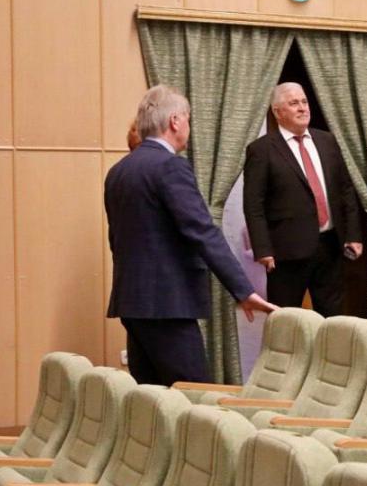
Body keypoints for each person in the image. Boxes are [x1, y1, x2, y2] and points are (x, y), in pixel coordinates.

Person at [105, 85, 275, 387]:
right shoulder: (170, 167)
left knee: (151, 398)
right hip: (167, 303)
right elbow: (202, 231)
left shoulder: (119, 171)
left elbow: (116, 240)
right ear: (174, 121)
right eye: (187, 119)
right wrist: (243, 290)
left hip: (132, 301)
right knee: (194, 395)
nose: (188, 126)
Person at [242, 82, 363, 317]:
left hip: (330, 246)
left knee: (333, 319)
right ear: (278, 112)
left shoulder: (327, 141)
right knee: (286, 321)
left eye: (304, 102)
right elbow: (253, 204)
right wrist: (263, 249)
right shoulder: (262, 149)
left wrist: (353, 235)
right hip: (286, 253)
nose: (302, 108)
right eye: (294, 103)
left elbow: (346, 190)